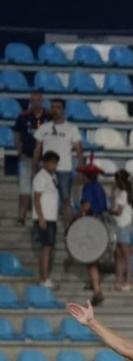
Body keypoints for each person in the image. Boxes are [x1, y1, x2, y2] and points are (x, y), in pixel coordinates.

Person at [32, 97, 83, 222]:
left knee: (66, 200)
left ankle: (68, 230)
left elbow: (79, 151)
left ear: (63, 110)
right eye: (53, 107)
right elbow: (37, 149)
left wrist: (81, 170)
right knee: (43, 197)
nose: (55, 110)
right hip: (46, 171)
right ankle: (44, 225)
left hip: (64, 169)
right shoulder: (43, 127)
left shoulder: (72, 128)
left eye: (58, 107)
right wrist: (34, 168)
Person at [76, 161, 108, 307]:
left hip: (91, 223)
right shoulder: (100, 188)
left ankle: (97, 291)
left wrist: (79, 216)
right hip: (102, 223)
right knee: (95, 257)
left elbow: (87, 205)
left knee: (91, 259)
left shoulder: (87, 187)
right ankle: (94, 284)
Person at [14, 90, 47, 227]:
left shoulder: (48, 117)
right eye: (33, 100)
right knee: (24, 190)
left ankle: (41, 218)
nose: (35, 103)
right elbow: (17, 135)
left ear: (42, 100)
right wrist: (19, 151)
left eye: (38, 100)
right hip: (27, 158)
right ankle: (21, 217)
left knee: (42, 191)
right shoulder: (23, 116)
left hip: (44, 161)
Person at [31, 150, 60, 288]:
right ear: (45, 163)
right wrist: (41, 218)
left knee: (49, 248)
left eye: (56, 163)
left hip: (52, 218)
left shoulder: (53, 177)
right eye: (52, 163)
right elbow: (36, 199)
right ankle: (44, 278)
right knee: (46, 248)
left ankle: (45, 276)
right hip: (44, 218)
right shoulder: (40, 177)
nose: (54, 166)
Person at [109, 169, 133, 291]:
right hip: (118, 225)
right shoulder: (119, 192)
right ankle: (119, 280)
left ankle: (128, 281)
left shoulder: (124, 193)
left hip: (123, 225)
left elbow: (118, 211)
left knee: (126, 256)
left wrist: (108, 211)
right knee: (118, 255)